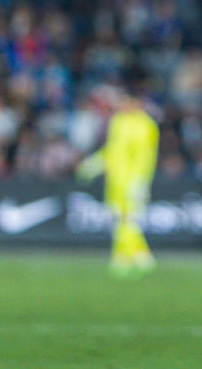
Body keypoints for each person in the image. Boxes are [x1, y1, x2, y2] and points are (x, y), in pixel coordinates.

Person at [76, 85, 159, 277]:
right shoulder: (118, 122)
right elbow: (112, 151)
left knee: (128, 220)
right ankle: (139, 256)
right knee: (118, 219)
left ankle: (125, 256)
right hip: (115, 181)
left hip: (132, 181)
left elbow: (145, 157)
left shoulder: (146, 125)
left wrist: (140, 181)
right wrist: (95, 163)